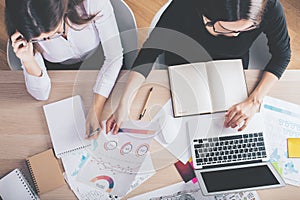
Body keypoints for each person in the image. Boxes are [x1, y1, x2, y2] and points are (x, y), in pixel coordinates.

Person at [106, 0, 291, 134]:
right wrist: (124, 103)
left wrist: (254, 101)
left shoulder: (269, 7)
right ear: (206, 15)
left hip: (230, 70)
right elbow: (149, 52)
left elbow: (282, 55)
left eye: (245, 30)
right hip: (182, 66)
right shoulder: (185, 6)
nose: (236, 36)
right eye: (226, 30)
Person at [5, 0, 123, 138]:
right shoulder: (24, 28)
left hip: (100, 57)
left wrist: (96, 110)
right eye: (41, 40)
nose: (49, 41)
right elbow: (41, 95)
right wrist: (28, 60)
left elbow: (114, 58)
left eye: (56, 32)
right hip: (57, 70)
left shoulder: (91, 4)